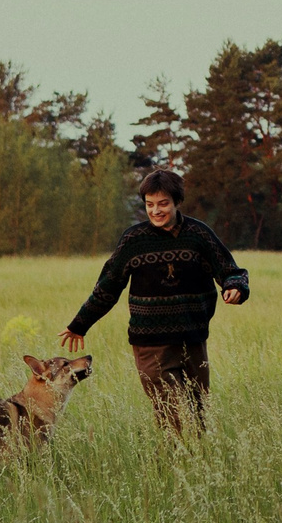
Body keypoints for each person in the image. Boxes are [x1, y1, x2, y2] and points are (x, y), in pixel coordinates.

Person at [58, 168, 247, 435]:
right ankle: (172, 469)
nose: (156, 211)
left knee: (198, 413)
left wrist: (235, 287)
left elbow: (230, 270)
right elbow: (108, 286)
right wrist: (80, 324)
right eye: (149, 204)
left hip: (193, 340)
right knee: (174, 415)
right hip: (151, 344)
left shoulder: (199, 235)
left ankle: (197, 467)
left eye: (162, 204)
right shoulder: (134, 240)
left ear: (176, 202)